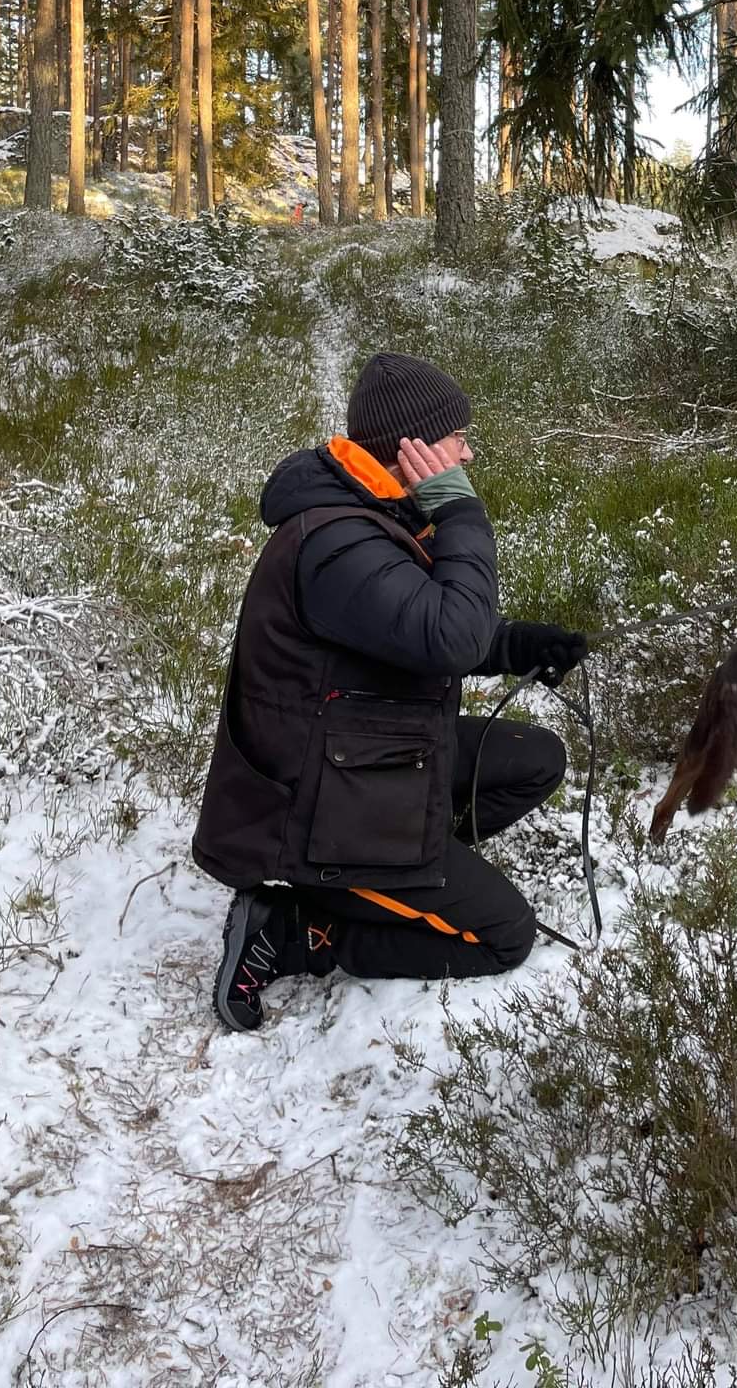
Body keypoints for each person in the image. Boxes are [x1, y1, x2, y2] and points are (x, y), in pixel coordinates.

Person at [192, 351, 587, 1031]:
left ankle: (402, 873)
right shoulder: (337, 541)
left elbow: (407, 627)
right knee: (504, 936)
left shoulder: (371, 509)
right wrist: (460, 512)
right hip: (320, 808)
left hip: (363, 762)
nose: (466, 451)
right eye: (456, 438)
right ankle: (301, 931)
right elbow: (446, 636)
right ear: (412, 450)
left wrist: (516, 644)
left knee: (535, 759)